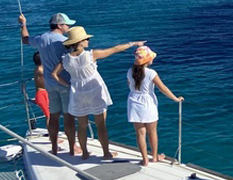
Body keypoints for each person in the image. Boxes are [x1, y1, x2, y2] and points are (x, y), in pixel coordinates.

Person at [52, 26, 144, 160]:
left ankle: (84, 153)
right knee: (101, 125)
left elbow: (54, 74)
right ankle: (106, 153)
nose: (88, 41)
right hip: (95, 91)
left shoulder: (65, 59)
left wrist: (68, 84)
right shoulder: (91, 55)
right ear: (80, 42)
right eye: (86, 39)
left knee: (82, 126)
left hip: (78, 93)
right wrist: (133, 43)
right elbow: (115, 49)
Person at [19, 12, 77, 155]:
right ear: (59, 25)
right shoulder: (66, 41)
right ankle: (73, 147)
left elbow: (25, 39)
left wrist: (23, 24)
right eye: (67, 24)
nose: (69, 27)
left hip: (49, 85)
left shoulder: (41, 38)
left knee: (53, 116)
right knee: (68, 117)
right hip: (64, 83)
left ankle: (54, 147)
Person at [127, 46, 184, 167]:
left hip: (134, 102)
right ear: (147, 60)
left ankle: (144, 160)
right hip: (148, 103)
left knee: (140, 133)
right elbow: (163, 88)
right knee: (152, 132)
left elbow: (130, 85)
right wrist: (175, 99)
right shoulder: (151, 73)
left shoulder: (130, 71)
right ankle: (154, 157)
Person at [32, 52, 49, 122]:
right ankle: (51, 129)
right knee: (48, 116)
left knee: (50, 115)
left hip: (44, 93)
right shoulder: (40, 69)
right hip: (41, 95)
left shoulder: (37, 68)